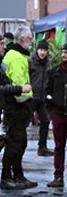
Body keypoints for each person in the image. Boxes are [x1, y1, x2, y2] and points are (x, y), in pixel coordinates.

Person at [1, 27, 34, 188]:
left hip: (21, 105)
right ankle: (7, 175)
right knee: (15, 141)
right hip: (15, 105)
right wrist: (24, 97)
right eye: (29, 37)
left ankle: (18, 174)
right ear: (21, 39)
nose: (32, 40)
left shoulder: (20, 55)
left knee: (20, 142)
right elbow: (17, 82)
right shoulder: (14, 56)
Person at [47, 41, 67, 189]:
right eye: (62, 52)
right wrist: (51, 106)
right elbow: (48, 90)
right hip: (58, 113)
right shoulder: (55, 72)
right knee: (59, 146)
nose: (63, 55)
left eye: (66, 52)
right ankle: (58, 176)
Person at [30, 40, 52, 157]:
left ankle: (42, 146)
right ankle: (16, 146)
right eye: (41, 50)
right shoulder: (31, 62)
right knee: (23, 123)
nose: (43, 53)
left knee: (45, 120)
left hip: (42, 98)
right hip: (31, 97)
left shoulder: (47, 63)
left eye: (45, 50)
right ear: (37, 50)